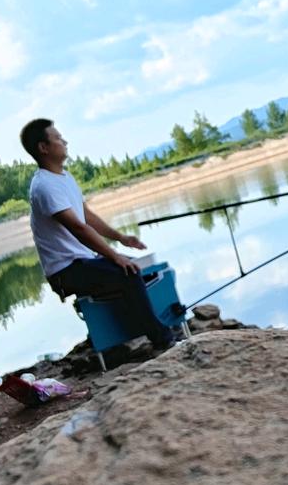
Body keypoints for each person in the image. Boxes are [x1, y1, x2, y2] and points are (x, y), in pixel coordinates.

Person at [20, 118, 180, 350]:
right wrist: (115, 256)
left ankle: (139, 330)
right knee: (127, 272)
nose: (65, 141)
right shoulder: (44, 186)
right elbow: (78, 228)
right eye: (58, 138)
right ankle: (162, 339)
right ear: (43, 148)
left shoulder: (64, 177)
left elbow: (87, 216)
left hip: (82, 262)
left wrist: (121, 238)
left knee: (140, 267)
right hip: (65, 271)